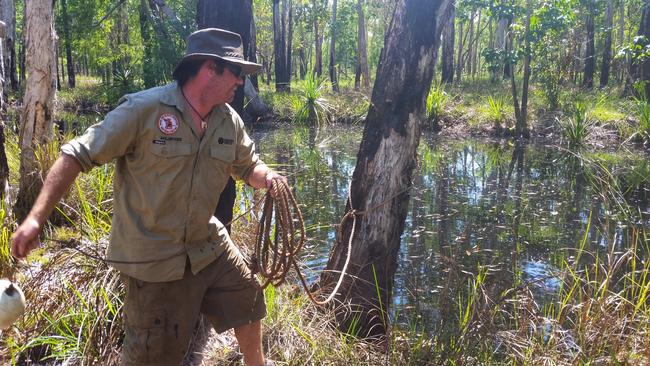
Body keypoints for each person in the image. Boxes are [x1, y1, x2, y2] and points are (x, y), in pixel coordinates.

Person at [11, 28, 283, 366]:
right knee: (153, 356)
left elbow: (248, 165)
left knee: (248, 302)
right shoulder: (144, 110)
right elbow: (75, 155)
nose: (241, 81)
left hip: (207, 244)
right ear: (210, 68)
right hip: (154, 259)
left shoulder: (228, 121)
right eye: (237, 72)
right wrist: (37, 217)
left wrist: (269, 178)